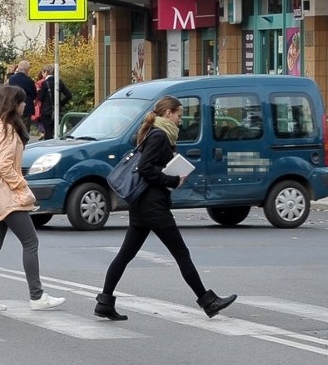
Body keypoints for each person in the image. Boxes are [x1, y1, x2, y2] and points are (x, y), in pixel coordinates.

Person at [94, 96, 237, 321]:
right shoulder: (160, 135)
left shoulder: (154, 132)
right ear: (168, 113)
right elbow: (145, 168)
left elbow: (148, 166)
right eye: (179, 115)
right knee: (181, 253)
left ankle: (104, 302)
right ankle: (208, 301)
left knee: (125, 255)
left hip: (142, 205)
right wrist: (172, 181)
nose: (181, 120)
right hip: (153, 206)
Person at [0, 85, 65, 312]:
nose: (26, 105)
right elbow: (4, 164)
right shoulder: (7, 130)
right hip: (8, 196)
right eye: (22, 102)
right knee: (30, 242)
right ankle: (37, 296)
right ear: (13, 104)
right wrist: (21, 185)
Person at [36, 64, 72, 140]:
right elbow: (69, 95)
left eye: (42, 73)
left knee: (48, 132)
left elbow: (40, 98)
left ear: (45, 72)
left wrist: (38, 91)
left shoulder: (44, 83)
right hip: (57, 110)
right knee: (57, 131)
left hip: (46, 111)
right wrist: (60, 104)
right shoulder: (59, 82)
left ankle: (48, 147)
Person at [6, 60, 37, 132]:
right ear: (27, 70)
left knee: (14, 128)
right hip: (26, 109)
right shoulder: (29, 81)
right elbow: (34, 95)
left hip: (13, 106)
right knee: (25, 129)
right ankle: (23, 142)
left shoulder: (11, 79)